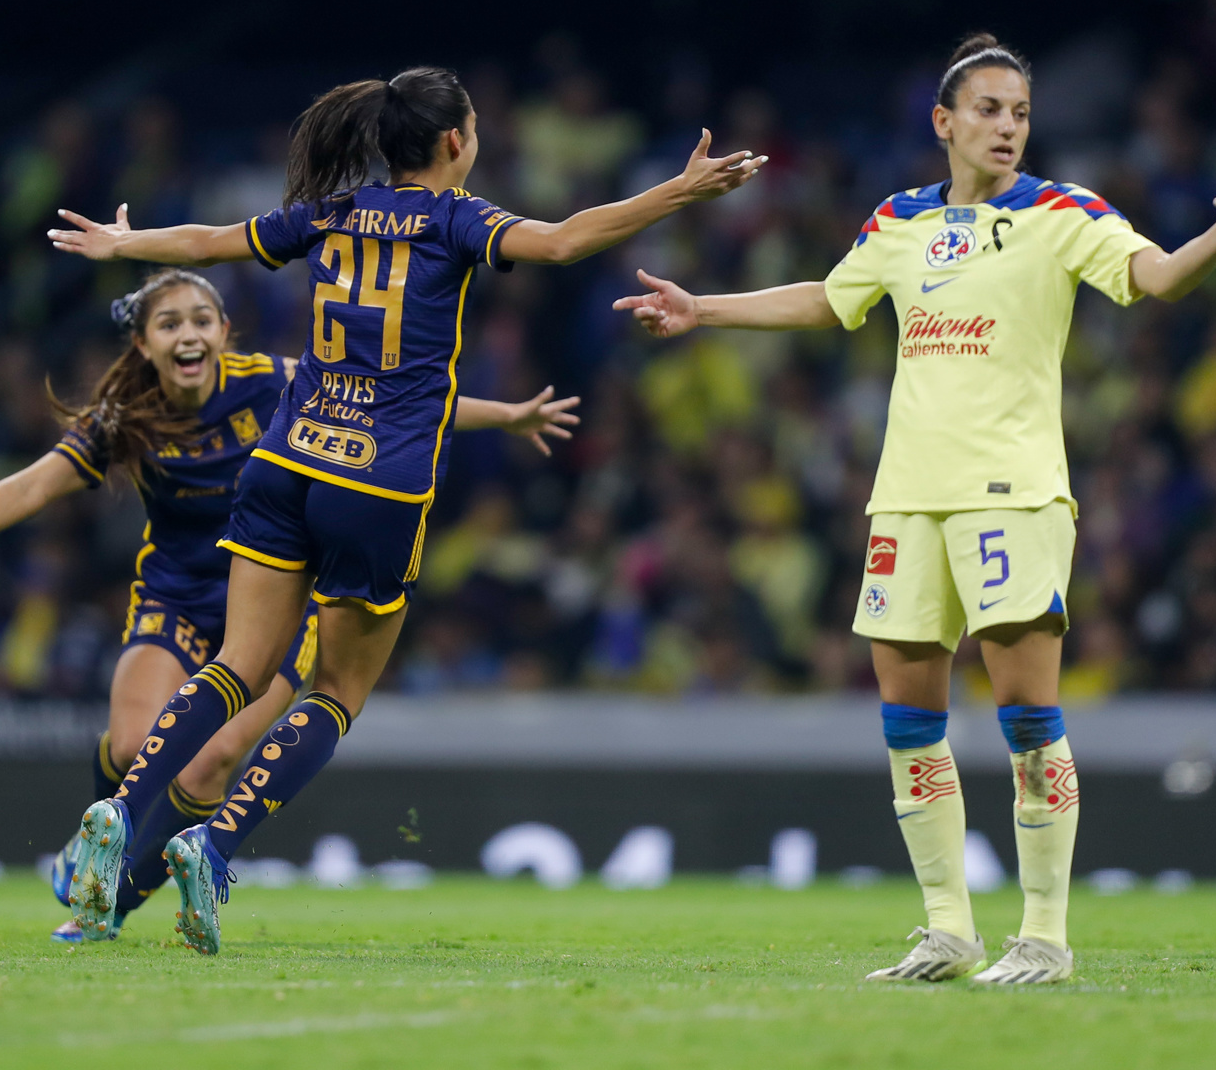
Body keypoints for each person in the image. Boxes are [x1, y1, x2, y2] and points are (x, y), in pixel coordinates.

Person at [47, 66, 763, 952]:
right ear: (458, 140)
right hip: (378, 483)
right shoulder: (460, 217)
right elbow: (568, 240)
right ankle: (215, 842)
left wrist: (126, 247)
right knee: (335, 690)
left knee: (236, 664)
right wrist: (680, 190)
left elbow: (208, 243)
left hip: (285, 458)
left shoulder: (334, 210)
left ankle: (119, 807)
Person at [615, 33, 1216, 985]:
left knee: (1027, 715)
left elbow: (1158, 277)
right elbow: (830, 301)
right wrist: (703, 309)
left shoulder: (1063, 212)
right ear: (944, 122)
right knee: (909, 721)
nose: (1008, 128)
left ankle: (1044, 936)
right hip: (907, 499)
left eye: (1022, 113)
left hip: (1013, 491)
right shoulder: (900, 219)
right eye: (991, 110)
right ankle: (949, 931)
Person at [0, 268, 580, 942]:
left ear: (225, 332)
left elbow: (394, 404)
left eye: (202, 319)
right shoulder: (124, 414)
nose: (189, 334)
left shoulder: (273, 383)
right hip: (176, 600)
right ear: (144, 344)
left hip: (273, 606)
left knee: (215, 761)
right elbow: (36, 485)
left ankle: (110, 903)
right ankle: (98, 832)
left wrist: (508, 415)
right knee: (137, 749)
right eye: (169, 324)